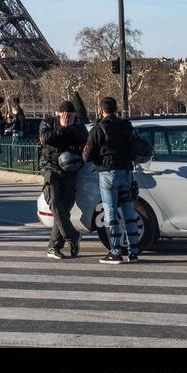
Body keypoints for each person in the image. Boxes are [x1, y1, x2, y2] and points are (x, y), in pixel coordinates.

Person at [84, 95, 142, 263]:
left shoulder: (98, 128)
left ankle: (115, 251)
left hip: (108, 172)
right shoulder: (126, 126)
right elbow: (134, 147)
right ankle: (134, 251)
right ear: (116, 109)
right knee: (129, 211)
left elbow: (88, 155)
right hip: (126, 171)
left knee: (110, 212)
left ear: (101, 110)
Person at [39, 100, 87, 259]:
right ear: (59, 114)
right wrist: (62, 127)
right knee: (54, 202)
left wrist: (71, 128)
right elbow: (45, 138)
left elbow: (84, 140)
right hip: (51, 167)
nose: (68, 118)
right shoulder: (48, 122)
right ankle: (72, 235)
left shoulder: (78, 125)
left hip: (70, 168)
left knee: (64, 208)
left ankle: (54, 246)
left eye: (71, 116)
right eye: (66, 115)